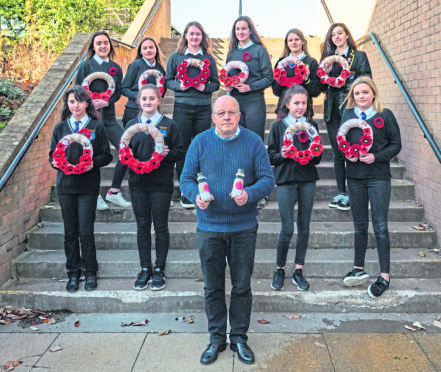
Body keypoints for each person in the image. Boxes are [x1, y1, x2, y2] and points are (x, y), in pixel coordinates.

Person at [180, 95, 274, 365]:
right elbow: (186, 178)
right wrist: (194, 195)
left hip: (243, 226)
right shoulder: (200, 142)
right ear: (213, 117)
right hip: (209, 227)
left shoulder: (253, 142)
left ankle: (240, 338)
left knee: (242, 286)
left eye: (231, 112)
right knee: (212, 287)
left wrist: (251, 193)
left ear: (239, 115)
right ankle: (216, 338)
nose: (226, 118)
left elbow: (268, 179)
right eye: (221, 113)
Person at [340, 76, 401, 298]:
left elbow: (396, 145)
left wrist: (375, 157)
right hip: (355, 177)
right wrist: (348, 155)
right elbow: (341, 142)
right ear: (352, 97)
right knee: (359, 226)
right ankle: (358, 268)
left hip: (378, 177)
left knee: (381, 227)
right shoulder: (347, 115)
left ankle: (385, 275)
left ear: (373, 93)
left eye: (365, 92)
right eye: (357, 93)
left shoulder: (385, 115)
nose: (361, 96)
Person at [49, 86, 112, 292]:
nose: (75, 105)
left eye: (79, 101)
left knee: (86, 231)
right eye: (71, 102)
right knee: (70, 232)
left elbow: (106, 155)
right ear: (68, 105)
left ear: (87, 103)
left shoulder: (96, 127)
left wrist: (93, 162)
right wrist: (55, 163)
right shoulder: (60, 127)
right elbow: (52, 156)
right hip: (66, 186)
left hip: (87, 186)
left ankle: (91, 272)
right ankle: (73, 273)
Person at [125, 85, 183, 291]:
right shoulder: (132, 124)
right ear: (139, 102)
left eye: (152, 98)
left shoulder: (169, 125)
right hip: (138, 184)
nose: (148, 102)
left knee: (160, 225)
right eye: (144, 99)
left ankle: (159, 268)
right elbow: (125, 154)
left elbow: (180, 152)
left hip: (161, 183)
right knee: (142, 226)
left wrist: (168, 152)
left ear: (159, 100)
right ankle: (145, 268)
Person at [267, 85, 322, 291]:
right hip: (286, 179)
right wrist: (282, 154)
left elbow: (318, 157)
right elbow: (271, 155)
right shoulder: (278, 127)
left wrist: (312, 153)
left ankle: (298, 270)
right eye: (296, 103)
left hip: (307, 178)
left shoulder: (312, 125)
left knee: (304, 226)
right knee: (287, 227)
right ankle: (279, 268)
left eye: (304, 103)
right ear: (287, 104)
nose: (300, 107)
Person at [165, 21, 219, 209]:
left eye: (198, 34)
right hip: (182, 108)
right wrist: (178, 86)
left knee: (202, 148)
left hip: (203, 109)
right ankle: (186, 190)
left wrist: (206, 88)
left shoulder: (208, 59)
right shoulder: (176, 57)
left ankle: (202, 188)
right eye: (191, 34)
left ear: (202, 37)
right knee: (183, 149)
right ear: (185, 36)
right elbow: (167, 80)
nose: (195, 37)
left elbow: (216, 83)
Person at [75, 30, 131, 210]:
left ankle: (114, 192)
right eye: (99, 43)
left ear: (110, 45)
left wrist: (107, 101)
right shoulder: (85, 66)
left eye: (106, 43)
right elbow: (77, 91)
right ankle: (95, 195)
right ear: (93, 46)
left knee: (126, 149)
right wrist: (89, 103)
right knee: (91, 156)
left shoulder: (116, 67)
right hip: (90, 121)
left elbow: (118, 91)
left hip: (109, 119)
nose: (102, 46)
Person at [319, 23, 372, 211]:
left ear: (347, 35)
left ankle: (355, 193)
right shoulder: (328, 60)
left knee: (354, 149)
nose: (337, 37)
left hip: (352, 110)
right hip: (333, 111)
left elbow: (367, 81)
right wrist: (322, 76)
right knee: (338, 152)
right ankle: (342, 192)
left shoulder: (359, 57)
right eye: (333, 34)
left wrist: (347, 81)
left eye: (340, 33)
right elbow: (320, 87)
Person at [225, 16, 273, 209]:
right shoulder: (232, 53)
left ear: (250, 30)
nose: (241, 32)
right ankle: (240, 189)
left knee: (255, 144)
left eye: (244, 29)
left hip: (254, 101)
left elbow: (269, 77)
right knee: (237, 145)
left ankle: (259, 192)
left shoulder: (259, 50)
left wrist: (250, 86)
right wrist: (228, 85)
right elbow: (227, 76)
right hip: (236, 103)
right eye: (237, 29)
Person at [272, 28, 321, 116]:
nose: (293, 42)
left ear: (303, 41)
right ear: (287, 44)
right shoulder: (281, 62)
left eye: (297, 39)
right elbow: (276, 91)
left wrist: (307, 80)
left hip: (304, 112)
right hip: (284, 111)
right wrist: (280, 78)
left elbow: (316, 92)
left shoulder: (311, 62)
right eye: (290, 40)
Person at [121, 37, 166, 127]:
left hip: (152, 111)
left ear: (156, 50)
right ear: (141, 52)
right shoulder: (135, 65)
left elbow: (163, 90)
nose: (148, 50)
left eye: (151, 47)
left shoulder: (160, 69)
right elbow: (124, 88)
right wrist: (138, 96)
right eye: (145, 48)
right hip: (134, 109)